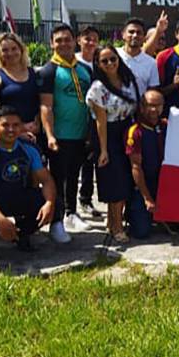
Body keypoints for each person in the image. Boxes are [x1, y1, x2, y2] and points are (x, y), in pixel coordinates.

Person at [0, 106, 62, 261]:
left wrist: (49, 203)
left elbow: (46, 180)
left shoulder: (30, 148)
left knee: (55, 204)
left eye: (16, 125)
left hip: (18, 195)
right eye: (5, 125)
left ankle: (21, 234)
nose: (11, 129)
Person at [38, 24, 93, 239]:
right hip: (59, 136)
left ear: (75, 41)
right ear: (52, 43)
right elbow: (46, 106)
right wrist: (50, 135)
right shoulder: (48, 71)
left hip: (81, 135)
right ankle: (56, 222)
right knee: (57, 178)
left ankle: (72, 213)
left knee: (74, 176)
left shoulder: (85, 69)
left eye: (67, 39)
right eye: (58, 40)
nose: (63, 43)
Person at [87, 45, 139, 243]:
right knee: (114, 184)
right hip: (108, 134)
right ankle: (117, 227)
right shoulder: (98, 88)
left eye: (113, 59)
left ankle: (113, 222)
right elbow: (100, 121)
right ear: (98, 65)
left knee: (124, 181)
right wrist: (103, 150)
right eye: (104, 61)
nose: (110, 63)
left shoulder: (128, 80)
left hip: (127, 131)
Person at [126, 89, 167, 239]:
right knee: (141, 232)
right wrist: (147, 198)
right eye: (150, 105)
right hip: (143, 186)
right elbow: (135, 167)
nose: (153, 110)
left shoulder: (167, 126)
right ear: (142, 106)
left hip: (164, 184)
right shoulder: (135, 132)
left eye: (158, 105)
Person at [0, 32, 39, 142]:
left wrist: (38, 123)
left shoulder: (35, 73)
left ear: (21, 50)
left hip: (35, 133)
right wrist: (18, 130)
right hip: (10, 136)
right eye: (5, 50)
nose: (10, 53)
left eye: (14, 48)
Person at [75, 25, 102, 217]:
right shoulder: (72, 62)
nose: (90, 42)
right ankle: (67, 208)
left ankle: (85, 199)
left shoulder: (101, 62)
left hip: (95, 120)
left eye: (94, 39)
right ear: (79, 40)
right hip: (74, 119)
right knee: (71, 162)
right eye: (87, 38)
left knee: (89, 161)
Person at [118, 18, 160, 93]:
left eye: (139, 32)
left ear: (144, 37)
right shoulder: (113, 55)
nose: (135, 35)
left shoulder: (151, 63)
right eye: (131, 32)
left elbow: (152, 91)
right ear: (123, 35)